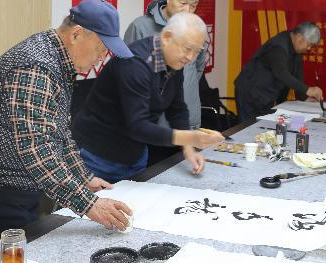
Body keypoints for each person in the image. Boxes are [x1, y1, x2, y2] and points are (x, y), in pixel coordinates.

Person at [0, 0, 134, 252]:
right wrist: (90, 204)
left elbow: (59, 132)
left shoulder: (59, 60)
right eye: (101, 49)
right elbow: (38, 150)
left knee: (26, 261)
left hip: (18, 185)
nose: (102, 59)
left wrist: (83, 177)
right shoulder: (37, 67)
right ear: (77, 34)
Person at [73, 12, 223, 182]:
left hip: (135, 154)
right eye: (187, 49)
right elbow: (137, 126)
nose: (190, 57)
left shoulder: (175, 61)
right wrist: (190, 137)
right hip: (98, 155)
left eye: (196, 52)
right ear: (167, 37)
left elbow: (177, 109)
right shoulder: (134, 63)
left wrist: (188, 148)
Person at [124, 0, 208, 129]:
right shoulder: (141, 27)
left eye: (193, 5)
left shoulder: (196, 28)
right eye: (183, 3)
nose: (187, 10)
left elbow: (198, 66)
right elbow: (127, 73)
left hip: (188, 117)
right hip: (153, 123)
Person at [233, 22, 324, 123]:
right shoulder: (279, 46)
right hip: (250, 93)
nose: (309, 48)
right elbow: (281, 72)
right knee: (250, 128)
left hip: (265, 96)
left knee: (265, 126)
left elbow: (298, 73)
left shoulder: (296, 48)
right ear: (299, 37)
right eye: (309, 44)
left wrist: (303, 96)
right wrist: (307, 90)